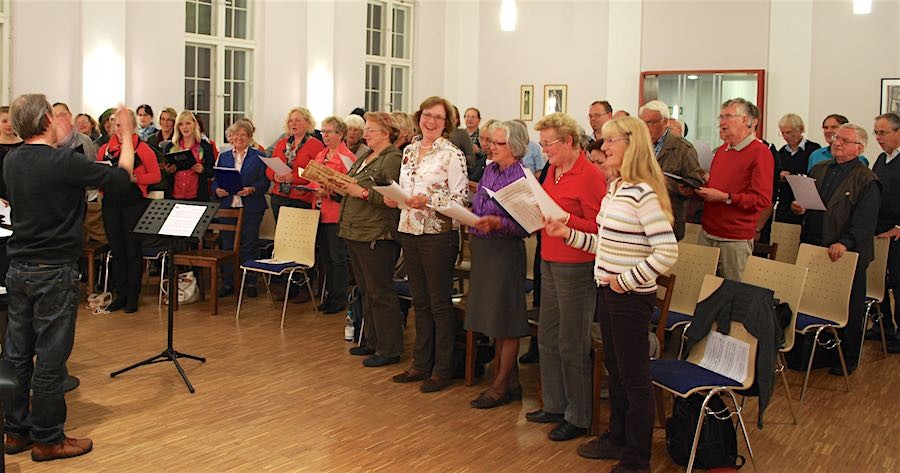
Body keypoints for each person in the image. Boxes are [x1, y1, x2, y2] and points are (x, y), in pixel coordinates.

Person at [3, 95, 133, 461]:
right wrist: (129, 138)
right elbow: (122, 178)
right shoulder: (64, 162)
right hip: (53, 270)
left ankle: (15, 432)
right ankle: (47, 438)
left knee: (16, 353)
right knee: (50, 358)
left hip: (19, 268)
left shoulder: (12, 159)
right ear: (47, 119)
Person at [547, 116, 678, 473]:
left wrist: (628, 279)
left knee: (635, 379)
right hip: (609, 291)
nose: (603, 148)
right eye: (602, 142)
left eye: (609, 142)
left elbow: (667, 253)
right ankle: (618, 438)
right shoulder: (617, 187)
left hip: (629, 297)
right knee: (617, 371)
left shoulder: (643, 193)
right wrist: (568, 235)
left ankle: (637, 458)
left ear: (630, 143)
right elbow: (603, 243)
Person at [525, 112, 605, 442]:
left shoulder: (590, 175)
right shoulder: (553, 171)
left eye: (549, 144)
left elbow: (601, 227)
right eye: (541, 144)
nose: (544, 150)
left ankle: (579, 415)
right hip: (549, 259)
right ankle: (556, 405)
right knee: (548, 338)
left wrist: (566, 218)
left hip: (576, 264)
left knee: (572, 343)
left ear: (569, 141)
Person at [386, 96, 468, 393]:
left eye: (438, 117)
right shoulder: (408, 150)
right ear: (419, 117)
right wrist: (394, 197)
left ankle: (442, 368)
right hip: (409, 228)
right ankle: (420, 363)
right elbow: (406, 190)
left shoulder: (452, 154)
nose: (430, 121)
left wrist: (429, 200)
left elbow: (460, 199)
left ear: (447, 124)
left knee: (439, 303)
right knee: (419, 301)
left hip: (438, 234)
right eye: (426, 115)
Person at [791, 123, 880, 375]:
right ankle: (817, 353)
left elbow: (865, 221)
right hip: (815, 245)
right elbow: (812, 203)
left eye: (843, 139)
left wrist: (846, 242)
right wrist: (800, 207)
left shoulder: (867, 179)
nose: (836, 142)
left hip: (847, 252)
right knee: (816, 302)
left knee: (847, 307)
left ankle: (846, 359)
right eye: (835, 138)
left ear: (859, 147)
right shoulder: (820, 169)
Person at [464, 120, 532, 409]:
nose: (490, 146)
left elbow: (527, 225)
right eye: (490, 141)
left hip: (505, 252)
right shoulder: (490, 170)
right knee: (492, 317)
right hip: (483, 249)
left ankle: (499, 385)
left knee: (506, 321)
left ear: (514, 147)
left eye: (497, 143)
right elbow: (481, 205)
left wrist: (498, 222)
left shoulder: (522, 176)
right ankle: (511, 381)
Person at [338, 112, 404, 367]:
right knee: (366, 290)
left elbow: (391, 196)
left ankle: (389, 348)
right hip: (355, 229)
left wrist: (362, 192)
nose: (365, 134)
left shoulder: (392, 158)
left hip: (377, 232)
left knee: (380, 292)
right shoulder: (366, 156)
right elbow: (353, 185)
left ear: (386, 133)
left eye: (371, 130)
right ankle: (371, 340)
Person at [695, 98, 773, 281]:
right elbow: (719, 186)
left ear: (748, 121)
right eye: (721, 116)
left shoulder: (761, 153)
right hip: (707, 231)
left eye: (728, 116)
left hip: (734, 239)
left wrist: (725, 197)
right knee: (701, 292)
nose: (722, 122)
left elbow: (761, 200)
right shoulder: (722, 150)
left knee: (732, 296)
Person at [97, 109, 162, 312]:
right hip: (111, 204)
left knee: (133, 250)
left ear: (132, 126)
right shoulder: (105, 149)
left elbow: (156, 176)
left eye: (123, 125)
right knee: (116, 250)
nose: (119, 129)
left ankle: (133, 296)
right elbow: (97, 173)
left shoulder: (142, 148)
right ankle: (120, 294)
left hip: (133, 203)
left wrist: (136, 178)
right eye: (116, 125)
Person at [212, 120, 269, 298]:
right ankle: (229, 282)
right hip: (228, 206)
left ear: (250, 138)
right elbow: (216, 180)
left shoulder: (259, 156)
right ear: (230, 137)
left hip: (251, 207)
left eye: (243, 135)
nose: (239, 138)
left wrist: (251, 189)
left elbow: (264, 182)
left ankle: (250, 281)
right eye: (235, 135)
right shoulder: (224, 156)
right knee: (228, 245)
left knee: (249, 244)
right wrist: (217, 190)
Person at [306, 116, 356, 314]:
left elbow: (349, 188)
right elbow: (313, 180)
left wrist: (331, 190)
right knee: (325, 258)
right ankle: (328, 295)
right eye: (323, 131)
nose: (324, 135)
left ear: (340, 134)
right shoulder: (321, 155)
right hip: (318, 210)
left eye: (329, 131)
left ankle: (339, 298)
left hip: (335, 213)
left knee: (337, 258)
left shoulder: (347, 157)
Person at [639, 100, 703, 240]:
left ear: (665, 122)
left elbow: (695, 183)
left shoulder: (682, 148)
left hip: (668, 219)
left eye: (651, 123)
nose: (646, 127)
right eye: (643, 123)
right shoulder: (637, 146)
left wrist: (664, 182)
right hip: (639, 218)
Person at [871, 113, 900, 351]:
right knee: (879, 281)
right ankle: (883, 327)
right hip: (879, 230)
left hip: (897, 233)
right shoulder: (881, 159)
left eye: (883, 133)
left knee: (897, 283)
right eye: (876, 133)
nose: (879, 138)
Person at [266, 107, 325, 221]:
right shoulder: (281, 144)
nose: (293, 123)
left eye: (297, 120)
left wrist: (294, 177)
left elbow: (318, 174)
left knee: (296, 237)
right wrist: (274, 176)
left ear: (308, 123)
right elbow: (269, 168)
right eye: (290, 121)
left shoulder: (316, 145)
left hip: (301, 199)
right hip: (278, 196)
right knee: (281, 236)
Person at [773, 113, 822, 224]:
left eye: (789, 132)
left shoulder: (813, 150)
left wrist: (790, 177)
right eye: (783, 133)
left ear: (800, 129)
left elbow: (815, 178)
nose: (786, 137)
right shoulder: (781, 152)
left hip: (804, 207)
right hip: (784, 204)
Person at [161, 110, 215, 201]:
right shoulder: (170, 147)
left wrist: (202, 169)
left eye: (188, 123)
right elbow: (164, 174)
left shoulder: (205, 146)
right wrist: (168, 171)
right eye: (181, 124)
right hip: (174, 195)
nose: (184, 127)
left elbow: (212, 172)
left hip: (197, 196)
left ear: (194, 124)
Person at [0, 106, 23, 200]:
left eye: (12, 121)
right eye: (4, 121)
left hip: (21, 194)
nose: (9, 124)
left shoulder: (25, 144)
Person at [469, 118, 499, 182]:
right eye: (481, 139)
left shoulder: (502, 165)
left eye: (489, 140)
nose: (484, 143)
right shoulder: (479, 162)